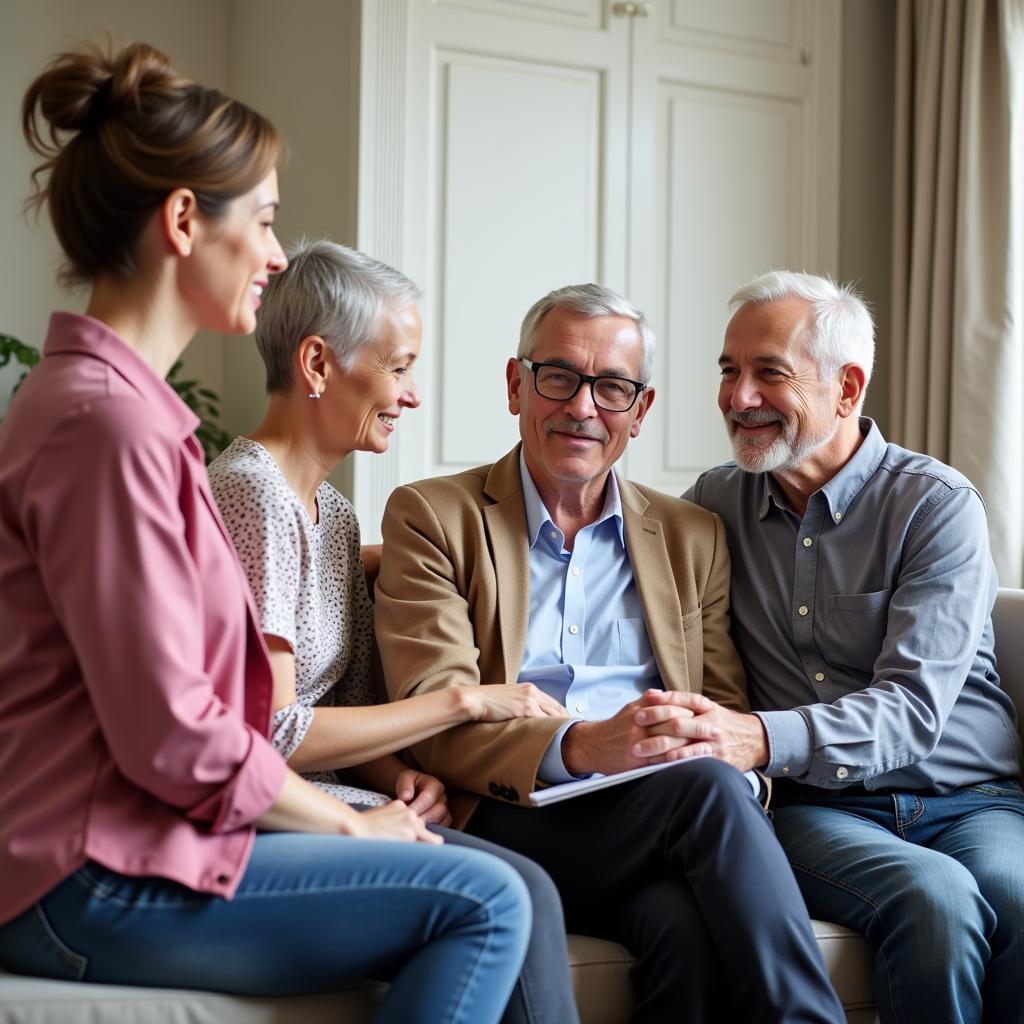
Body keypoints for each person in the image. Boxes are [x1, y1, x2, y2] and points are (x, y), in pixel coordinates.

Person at [0, 41, 534, 1024]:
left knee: (494, 879)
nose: (279, 256)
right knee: (488, 901)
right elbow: (174, 733)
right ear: (183, 221)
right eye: (267, 221)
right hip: (85, 873)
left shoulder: (120, 415)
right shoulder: (105, 426)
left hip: (121, 842)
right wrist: (347, 823)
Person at [374, 282, 845, 1023]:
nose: (583, 407)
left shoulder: (692, 537)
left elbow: (722, 710)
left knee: (684, 929)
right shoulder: (434, 516)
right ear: (515, 385)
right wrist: (587, 746)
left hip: (653, 825)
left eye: (613, 387)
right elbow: (433, 717)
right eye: (558, 376)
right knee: (708, 790)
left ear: (641, 410)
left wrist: (698, 748)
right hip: (508, 815)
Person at [207, 238, 580, 1024]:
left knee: (532, 888)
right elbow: (269, 731)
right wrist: (465, 703)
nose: (412, 395)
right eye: (400, 365)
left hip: (330, 802)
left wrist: (398, 778)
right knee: (525, 896)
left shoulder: (333, 514)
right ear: (317, 365)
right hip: (271, 818)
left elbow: (345, 703)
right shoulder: (250, 498)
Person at [684, 270, 1024, 1024]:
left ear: (847, 388)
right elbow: (607, 564)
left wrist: (756, 735)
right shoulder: (710, 507)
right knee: (936, 901)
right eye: (729, 371)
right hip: (818, 808)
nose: (738, 397)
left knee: (1019, 900)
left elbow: (910, 709)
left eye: (769, 372)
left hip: (970, 799)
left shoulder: (935, 508)